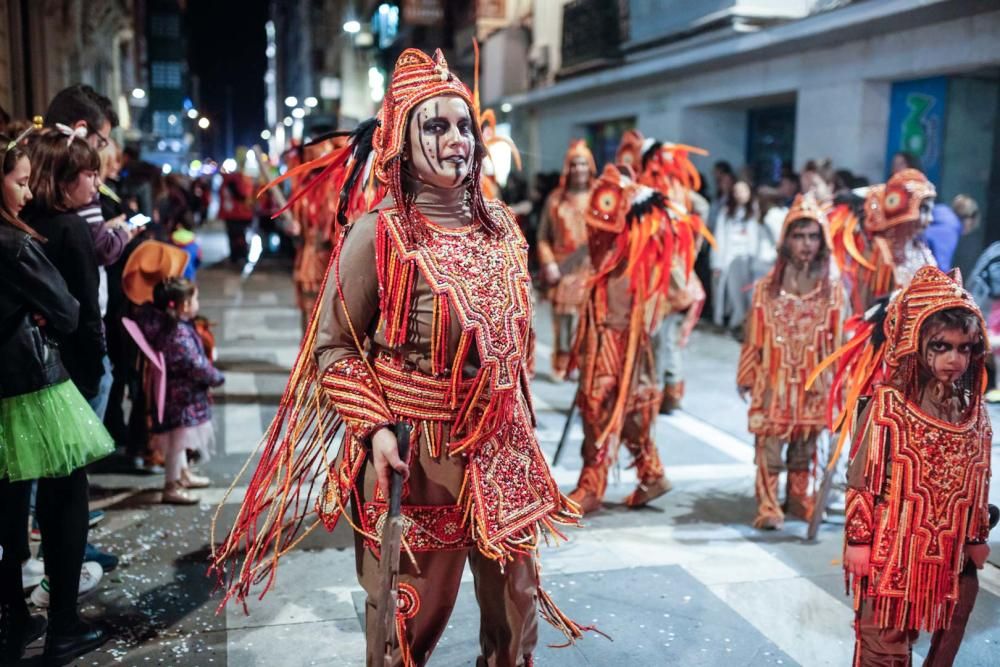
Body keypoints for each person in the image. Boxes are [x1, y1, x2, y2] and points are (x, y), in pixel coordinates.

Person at [212, 48, 588, 665]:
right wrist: (376, 427)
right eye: (435, 126)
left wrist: (516, 405)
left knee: (518, 612)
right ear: (401, 140)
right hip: (417, 455)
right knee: (407, 620)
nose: (455, 140)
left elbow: (515, 335)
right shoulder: (379, 232)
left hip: (501, 448)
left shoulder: (502, 226)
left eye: (463, 125)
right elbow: (332, 344)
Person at [841, 266, 991, 665]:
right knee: (883, 643)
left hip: (948, 553)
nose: (954, 359)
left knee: (947, 634)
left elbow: (978, 481)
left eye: (964, 348)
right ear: (915, 343)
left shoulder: (975, 413)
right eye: (941, 347)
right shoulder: (888, 406)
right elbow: (861, 481)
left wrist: (976, 536)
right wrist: (859, 539)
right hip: (891, 549)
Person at [0, 130, 112, 664]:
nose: (25, 194)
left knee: (7, 510)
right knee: (66, 496)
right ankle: (63, 623)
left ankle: (14, 620)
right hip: (30, 386)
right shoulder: (15, 242)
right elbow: (69, 312)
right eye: (17, 182)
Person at [566, 154, 700, 514]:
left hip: (621, 339)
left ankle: (591, 486)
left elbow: (682, 292)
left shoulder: (641, 249)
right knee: (623, 410)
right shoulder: (609, 249)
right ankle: (650, 472)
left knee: (599, 409)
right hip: (612, 336)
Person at [736, 195, 844, 529]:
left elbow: (839, 344)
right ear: (786, 241)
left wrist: (840, 386)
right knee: (769, 446)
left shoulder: (833, 290)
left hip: (813, 385)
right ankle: (769, 505)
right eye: (799, 236)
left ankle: (799, 498)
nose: (806, 244)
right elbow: (754, 337)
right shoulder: (766, 289)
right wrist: (747, 373)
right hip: (774, 381)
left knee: (806, 447)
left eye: (813, 236)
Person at [134, 277, 222, 504]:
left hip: (179, 396)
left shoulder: (172, 326)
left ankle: (183, 474)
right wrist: (214, 377)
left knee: (179, 440)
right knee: (176, 442)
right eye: (196, 299)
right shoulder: (177, 334)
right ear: (183, 305)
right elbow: (193, 364)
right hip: (180, 399)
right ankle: (171, 486)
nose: (197, 303)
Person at [829, 168, 937, 314]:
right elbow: (866, 311)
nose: (930, 219)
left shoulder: (922, 250)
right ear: (904, 209)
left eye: (930, 211)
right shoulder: (881, 251)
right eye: (923, 209)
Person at [536, 139, 596, 380]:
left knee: (587, 322)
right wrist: (549, 262)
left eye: (583, 163)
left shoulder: (601, 197)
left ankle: (583, 364)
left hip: (590, 270)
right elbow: (542, 236)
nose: (579, 168)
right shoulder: (555, 199)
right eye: (574, 163)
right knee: (563, 322)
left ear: (590, 166)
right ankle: (561, 363)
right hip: (562, 269)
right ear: (567, 168)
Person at [218, 151, 254, 264]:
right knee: (238, 236)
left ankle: (238, 255)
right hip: (238, 214)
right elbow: (243, 196)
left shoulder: (229, 181)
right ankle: (239, 255)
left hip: (235, 214)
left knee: (236, 236)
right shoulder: (237, 180)